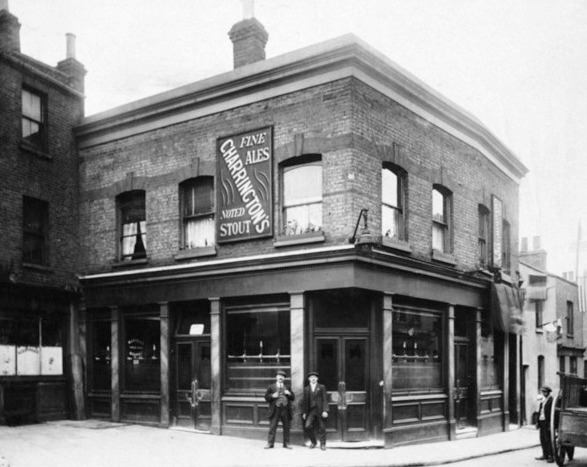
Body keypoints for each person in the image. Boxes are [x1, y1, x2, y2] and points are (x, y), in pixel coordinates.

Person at [264, 369, 295, 449]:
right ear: (276, 377)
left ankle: (286, 443)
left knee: (286, 427)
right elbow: (266, 398)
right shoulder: (271, 387)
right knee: (272, 427)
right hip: (275, 410)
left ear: (284, 378)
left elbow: (293, 397)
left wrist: (289, 393)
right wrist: (272, 396)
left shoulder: (287, 387)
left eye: (282, 376)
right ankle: (270, 443)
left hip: (285, 409)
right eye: (279, 376)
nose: (281, 378)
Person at [302, 371, 329, 450]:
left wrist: (325, 410)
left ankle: (323, 444)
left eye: (314, 377)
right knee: (307, 426)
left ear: (317, 379)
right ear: (309, 379)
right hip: (311, 410)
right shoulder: (306, 389)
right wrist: (304, 412)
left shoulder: (321, 387)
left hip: (320, 410)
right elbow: (304, 402)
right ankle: (313, 442)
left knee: (322, 427)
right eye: (311, 377)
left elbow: (325, 399)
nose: (313, 379)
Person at [535, 385, 554, 463]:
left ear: (548, 392)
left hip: (548, 423)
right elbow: (540, 411)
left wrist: (551, 424)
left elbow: (553, 413)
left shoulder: (551, 400)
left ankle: (551, 456)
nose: (543, 393)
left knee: (548, 439)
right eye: (542, 391)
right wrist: (537, 422)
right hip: (542, 421)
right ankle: (545, 454)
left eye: (545, 392)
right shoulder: (543, 400)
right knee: (542, 439)